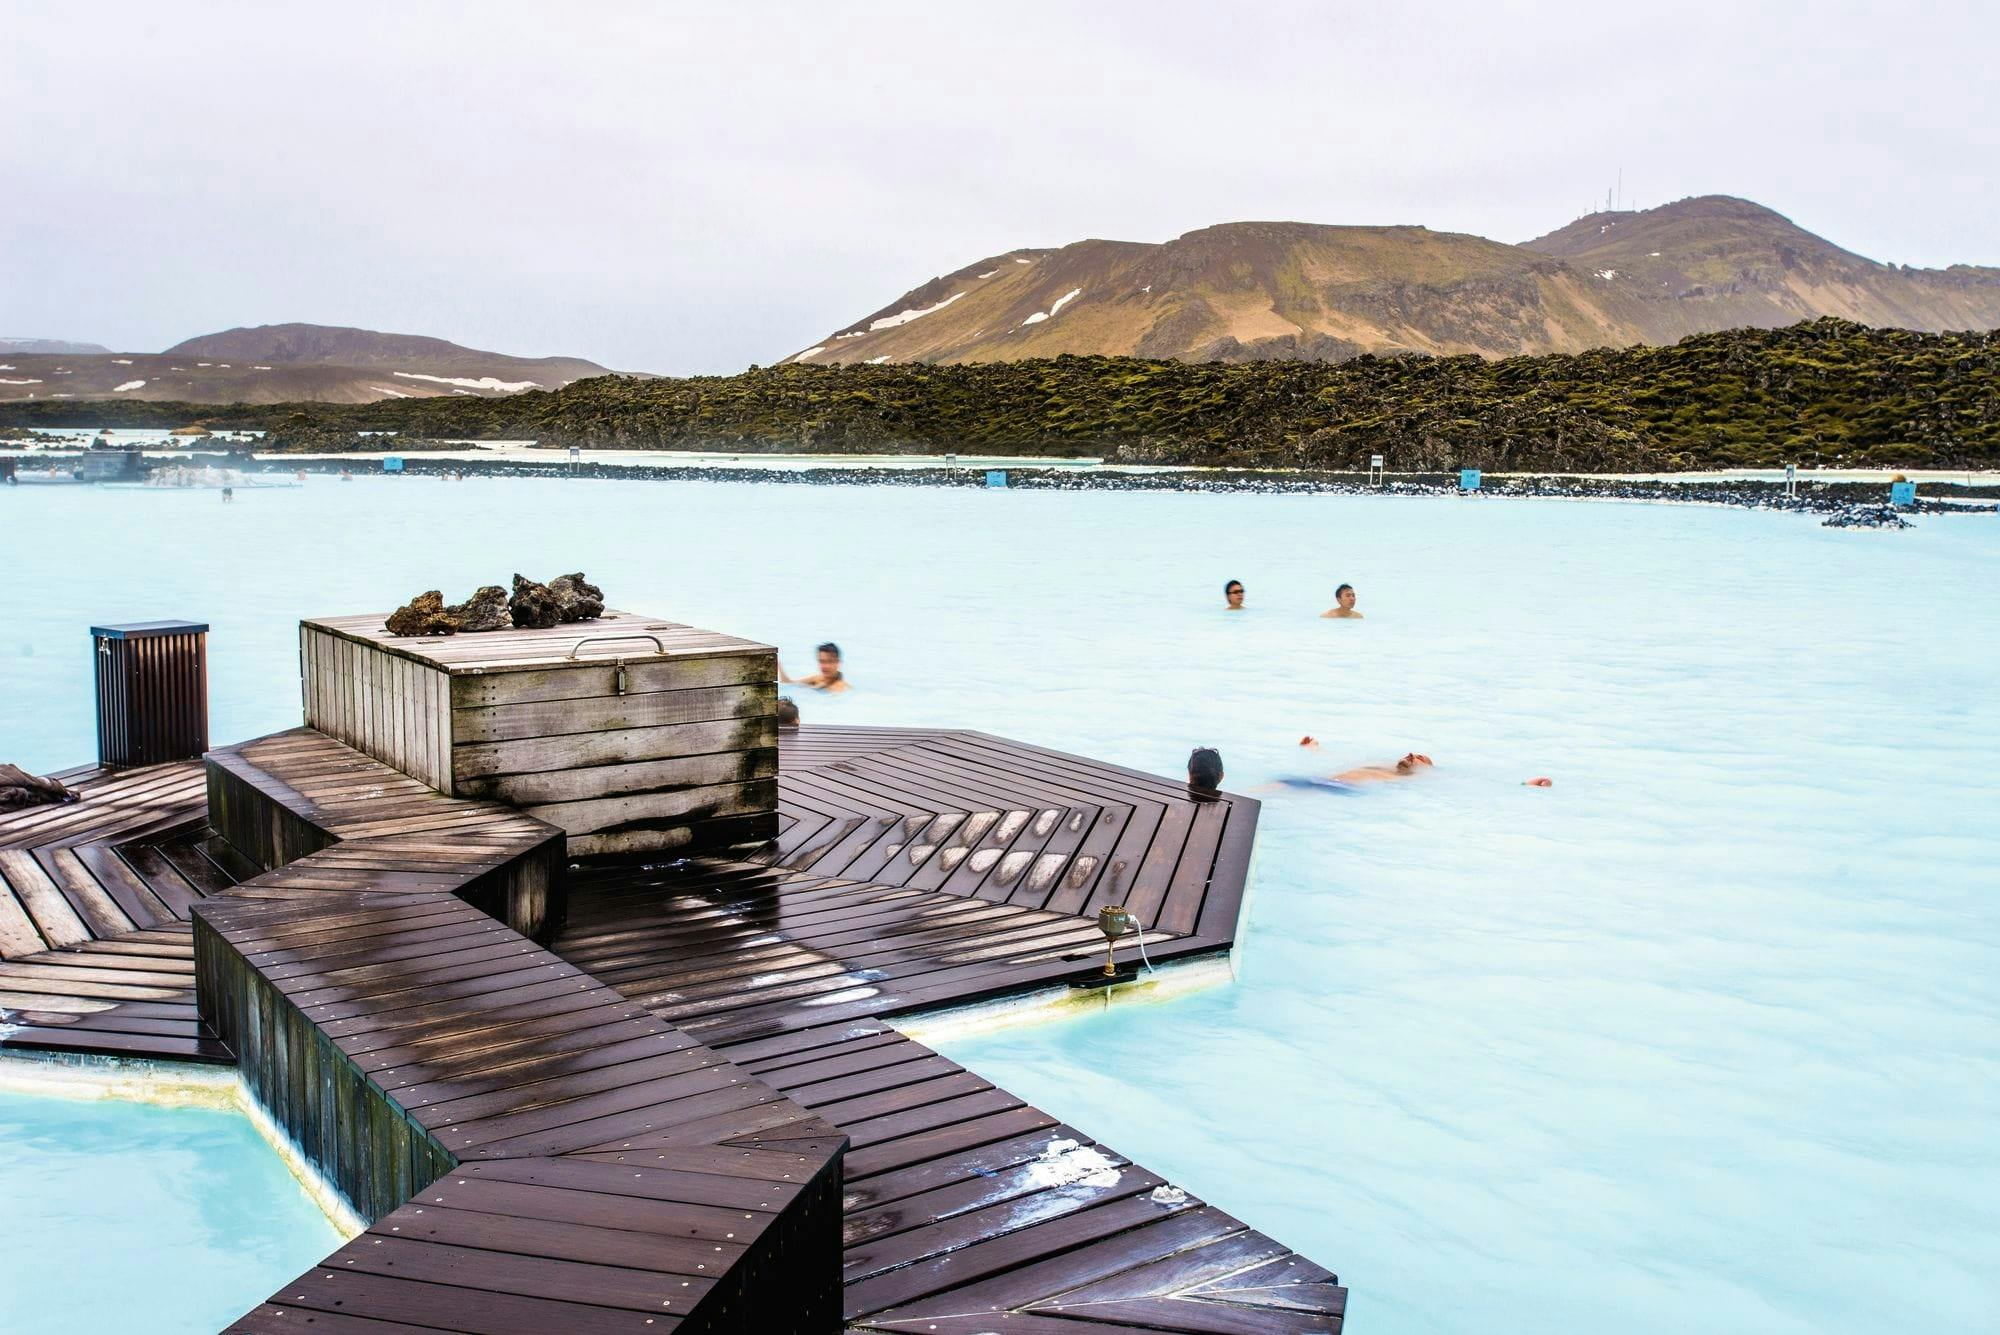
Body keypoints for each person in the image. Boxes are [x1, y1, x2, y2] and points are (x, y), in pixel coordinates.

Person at [781, 642, 850, 693]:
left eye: (830, 661)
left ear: (838, 663)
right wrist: (778, 666)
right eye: (822, 661)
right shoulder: (818, 678)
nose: (825, 666)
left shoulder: (841, 688)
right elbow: (789, 683)